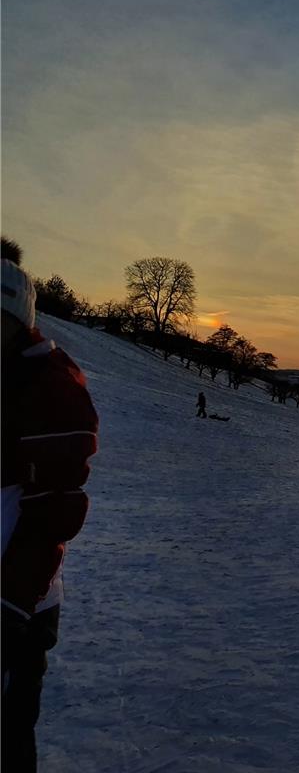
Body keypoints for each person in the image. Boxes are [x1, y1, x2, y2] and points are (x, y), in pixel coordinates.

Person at [1, 237, 98, 772]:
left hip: (15, 606)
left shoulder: (49, 391)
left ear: (17, 321)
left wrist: (10, 606)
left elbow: (54, 513)